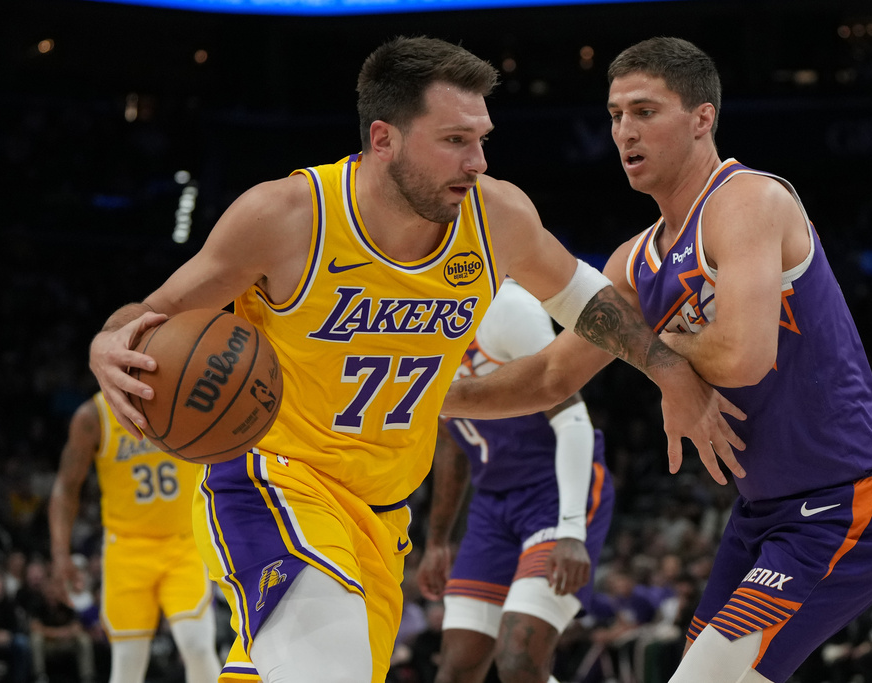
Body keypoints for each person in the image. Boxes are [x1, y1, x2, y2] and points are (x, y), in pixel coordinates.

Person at [87, 36, 744, 683]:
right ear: (384, 139)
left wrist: (668, 371)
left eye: (481, 139)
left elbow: (587, 302)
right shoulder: (288, 216)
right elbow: (149, 317)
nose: (477, 161)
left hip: (382, 513)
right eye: (455, 140)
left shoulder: (497, 218)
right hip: (273, 482)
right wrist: (105, 344)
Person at [441, 36, 872, 683]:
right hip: (761, 515)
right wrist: (429, 395)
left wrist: (655, 358)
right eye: (615, 115)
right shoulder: (632, 261)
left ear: (702, 118)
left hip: (848, 503)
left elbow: (743, 354)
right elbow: (552, 375)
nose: (625, 131)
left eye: (645, 111)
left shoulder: (747, 201)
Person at [416, 278, 615, 683]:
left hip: (553, 491)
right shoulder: (414, 326)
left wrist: (571, 530)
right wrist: (436, 541)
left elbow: (573, 417)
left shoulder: (506, 307)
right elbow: (451, 446)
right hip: (492, 501)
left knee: (518, 659)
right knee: (456, 665)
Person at [48, 393, 222, 683]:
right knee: (127, 660)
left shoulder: (184, 392)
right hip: (126, 549)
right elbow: (66, 487)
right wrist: (59, 555)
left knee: (198, 646)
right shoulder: (93, 416)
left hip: (183, 542)